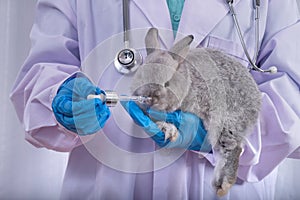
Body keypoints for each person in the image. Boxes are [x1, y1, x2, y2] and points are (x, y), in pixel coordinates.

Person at [10, 0, 300, 199]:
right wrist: (59, 97)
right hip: (105, 186)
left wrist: (214, 134)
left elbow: (292, 98)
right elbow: (41, 70)